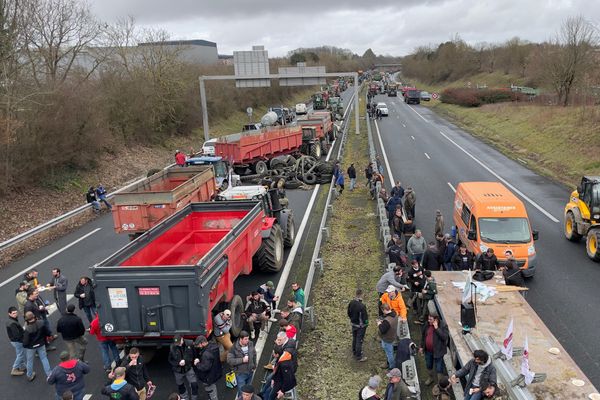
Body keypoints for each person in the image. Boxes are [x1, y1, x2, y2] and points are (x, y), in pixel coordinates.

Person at [419, 315, 449, 386]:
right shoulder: (427, 324)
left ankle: (440, 384)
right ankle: (430, 378)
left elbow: (444, 337)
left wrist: (437, 328)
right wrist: (421, 346)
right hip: (428, 351)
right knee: (429, 365)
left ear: (436, 320)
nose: (428, 321)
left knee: (439, 368)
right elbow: (423, 336)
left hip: (438, 352)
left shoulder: (443, 325)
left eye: (430, 319)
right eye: (428, 319)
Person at [22, 311, 52, 381]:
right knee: (44, 359)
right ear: (34, 316)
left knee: (29, 361)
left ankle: (29, 375)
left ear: (26, 319)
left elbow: (25, 342)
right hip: (41, 344)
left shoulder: (27, 329)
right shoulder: (41, 323)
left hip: (31, 347)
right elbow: (47, 332)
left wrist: (26, 345)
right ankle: (49, 374)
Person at [227, 331, 257, 396]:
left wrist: (254, 365)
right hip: (240, 374)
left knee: (248, 391)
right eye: (245, 339)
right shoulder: (233, 348)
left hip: (250, 371)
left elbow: (254, 354)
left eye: (248, 338)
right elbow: (229, 360)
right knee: (242, 392)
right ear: (240, 339)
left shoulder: (250, 344)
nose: (247, 340)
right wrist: (242, 360)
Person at [168, 334, 197, 400]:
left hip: (188, 368)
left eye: (179, 342)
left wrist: (186, 361)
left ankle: (194, 398)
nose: (178, 344)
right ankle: (185, 398)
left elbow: (194, 355)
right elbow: (170, 360)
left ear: (182, 339)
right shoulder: (172, 347)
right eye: (176, 343)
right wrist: (178, 363)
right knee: (181, 387)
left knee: (194, 385)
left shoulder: (189, 343)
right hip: (178, 371)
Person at [193, 335, 222, 400]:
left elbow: (205, 367)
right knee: (213, 391)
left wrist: (197, 363)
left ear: (202, 343)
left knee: (211, 392)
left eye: (199, 345)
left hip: (208, 378)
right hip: (215, 373)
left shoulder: (206, 354)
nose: (198, 347)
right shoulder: (213, 346)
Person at [347, 289, 369, 362]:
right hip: (360, 326)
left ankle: (354, 351)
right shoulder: (362, 306)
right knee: (359, 340)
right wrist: (366, 323)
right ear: (361, 295)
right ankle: (359, 356)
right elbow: (365, 317)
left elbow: (348, 313)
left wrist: (352, 319)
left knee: (354, 338)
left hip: (353, 324)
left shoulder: (351, 302)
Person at [6, 306, 26, 376]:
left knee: (19, 354)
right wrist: (23, 340)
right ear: (9, 314)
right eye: (13, 313)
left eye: (16, 313)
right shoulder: (12, 323)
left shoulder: (10, 321)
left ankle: (21, 367)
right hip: (17, 341)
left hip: (14, 341)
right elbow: (17, 335)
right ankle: (14, 369)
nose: (15, 314)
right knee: (20, 354)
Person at [378, 303, 398, 370]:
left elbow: (382, 330)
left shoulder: (387, 321)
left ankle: (391, 367)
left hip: (387, 339)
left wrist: (379, 324)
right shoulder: (395, 314)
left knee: (389, 354)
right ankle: (389, 363)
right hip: (392, 336)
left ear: (384, 310)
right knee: (389, 350)